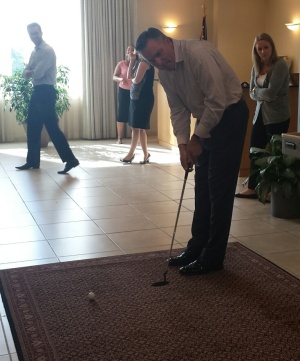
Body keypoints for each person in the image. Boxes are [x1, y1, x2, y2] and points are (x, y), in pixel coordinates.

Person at [136, 28, 249, 275]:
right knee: (202, 187)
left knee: (219, 190)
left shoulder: (197, 54)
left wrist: (197, 137)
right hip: (207, 118)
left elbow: (217, 100)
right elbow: (177, 110)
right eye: (151, 60)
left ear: (167, 41)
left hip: (229, 116)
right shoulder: (164, 72)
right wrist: (183, 145)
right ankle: (196, 247)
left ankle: (213, 258)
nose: (158, 61)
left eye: (158, 53)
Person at [16, 22, 79, 174]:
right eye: (31, 34)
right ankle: (32, 161)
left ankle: (71, 160)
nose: (34, 36)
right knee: (33, 127)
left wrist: (30, 72)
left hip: (46, 91)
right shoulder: (34, 52)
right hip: (37, 91)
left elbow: (37, 73)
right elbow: (26, 72)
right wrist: (30, 71)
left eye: (36, 33)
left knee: (52, 127)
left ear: (41, 32)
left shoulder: (47, 50)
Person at [235, 33, 290, 199]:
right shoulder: (256, 67)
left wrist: (258, 92)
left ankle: (272, 190)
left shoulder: (280, 65)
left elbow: (272, 92)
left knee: (275, 154)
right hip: (260, 114)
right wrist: (260, 94)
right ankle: (252, 188)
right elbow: (251, 93)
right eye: (259, 48)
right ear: (255, 50)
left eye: (266, 47)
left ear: (272, 47)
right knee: (255, 150)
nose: (263, 51)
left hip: (277, 116)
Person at [120, 51, 154, 164]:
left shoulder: (144, 63)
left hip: (143, 98)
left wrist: (133, 80)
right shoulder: (138, 62)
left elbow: (136, 80)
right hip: (136, 98)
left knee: (136, 127)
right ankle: (146, 154)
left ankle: (130, 154)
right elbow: (129, 76)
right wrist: (132, 61)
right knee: (140, 127)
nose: (135, 53)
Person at [113, 44, 135, 144]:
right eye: (129, 50)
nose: (131, 51)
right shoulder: (121, 64)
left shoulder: (138, 64)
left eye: (133, 50)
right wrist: (121, 79)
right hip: (123, 91)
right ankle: (119, 138)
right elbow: (114, 77)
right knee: (122, 114)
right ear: (126, 53)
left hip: (134, 91)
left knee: (133, 113)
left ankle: (133, 137)